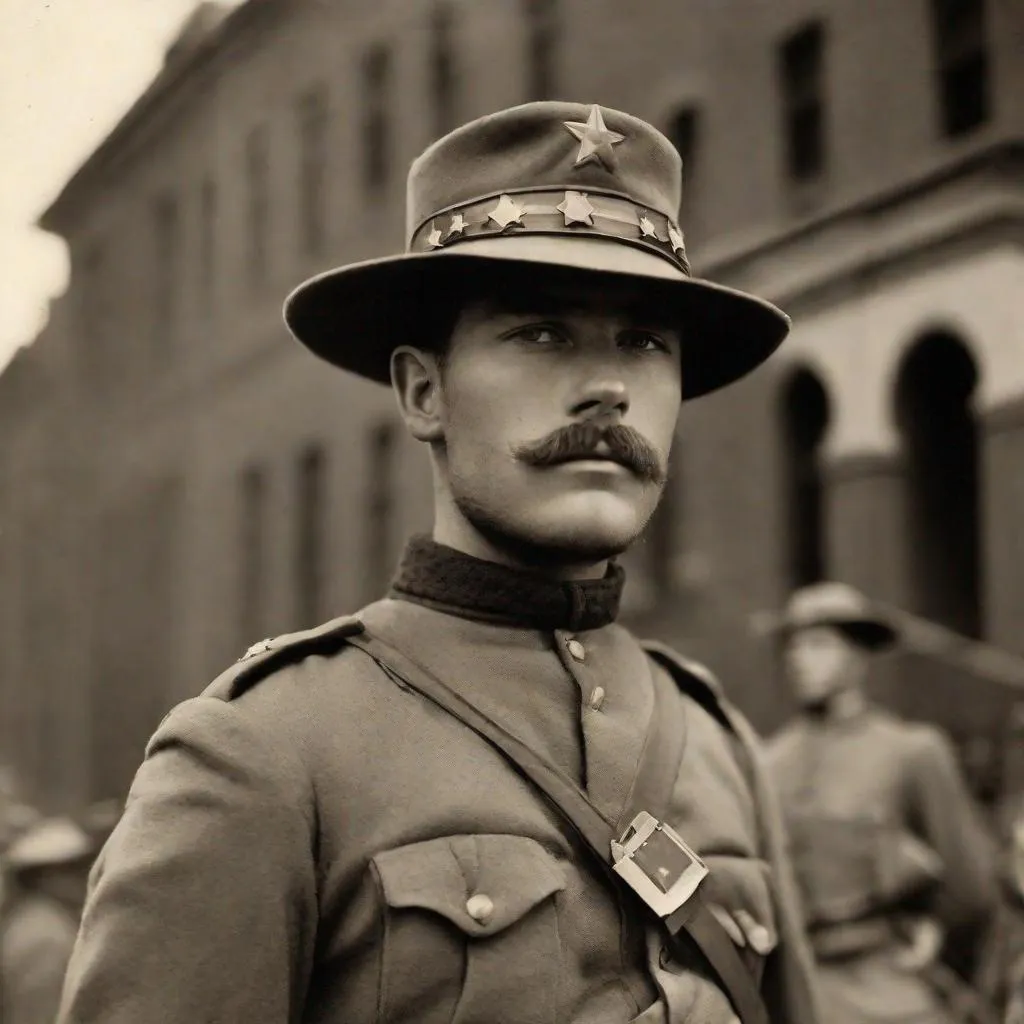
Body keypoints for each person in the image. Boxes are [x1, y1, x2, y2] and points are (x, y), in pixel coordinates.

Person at [58, 101, 820, 1023]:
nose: (609, 385)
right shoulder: (266, 752)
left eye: (646, 342)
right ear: (424, 391)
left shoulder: (718, 739)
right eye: (541, 332)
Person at [764, 582, 999, 1023]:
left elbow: (972, 887)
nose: (798, 658)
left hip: (884, 985)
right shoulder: (767, 762)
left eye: (818, 644)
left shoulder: (910, 750)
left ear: (858, 656)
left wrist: (935, 934)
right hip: (795, 990)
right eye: (792, 645)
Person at [1, 817, 94, 1024]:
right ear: (41, 876)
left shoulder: (41, 920)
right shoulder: (45, 935)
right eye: (70, 869)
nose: (82, 877)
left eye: (82, 867)